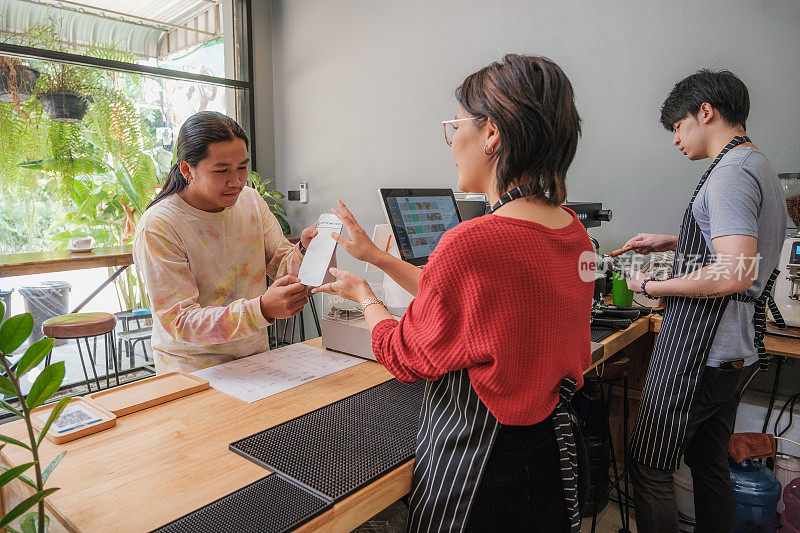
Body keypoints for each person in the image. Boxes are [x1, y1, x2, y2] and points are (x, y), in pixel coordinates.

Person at [313, 54, 593, 532]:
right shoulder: (572, 232)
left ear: (491, 135)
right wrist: (376, 257)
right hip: (549, 457)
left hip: (482, 468)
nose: (451, 143)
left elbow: (403, 355)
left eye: (455, 126)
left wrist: (364, 297)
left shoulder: (471, 241)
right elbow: (472, 304)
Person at [624, 70, 787, 532]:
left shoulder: (730, 172)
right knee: (708, 461)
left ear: (706, 112)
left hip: (703, 350)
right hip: (736, 352)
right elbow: (740, 244)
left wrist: (650, 287)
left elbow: (734, 272)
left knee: (648, 463)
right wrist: (673, 242)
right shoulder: (756, 164)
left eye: (677, 126)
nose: (675, 139)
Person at [133, 111, 318, 373]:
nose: (236, 181)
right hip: (192, 370)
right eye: (221, 170)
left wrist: (304, 248)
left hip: (255, 359)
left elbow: (282, 268)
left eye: (242, 167)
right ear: (187, 169)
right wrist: (262, 309)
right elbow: (180, 321)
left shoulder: (251, 202)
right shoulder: (160, 225)